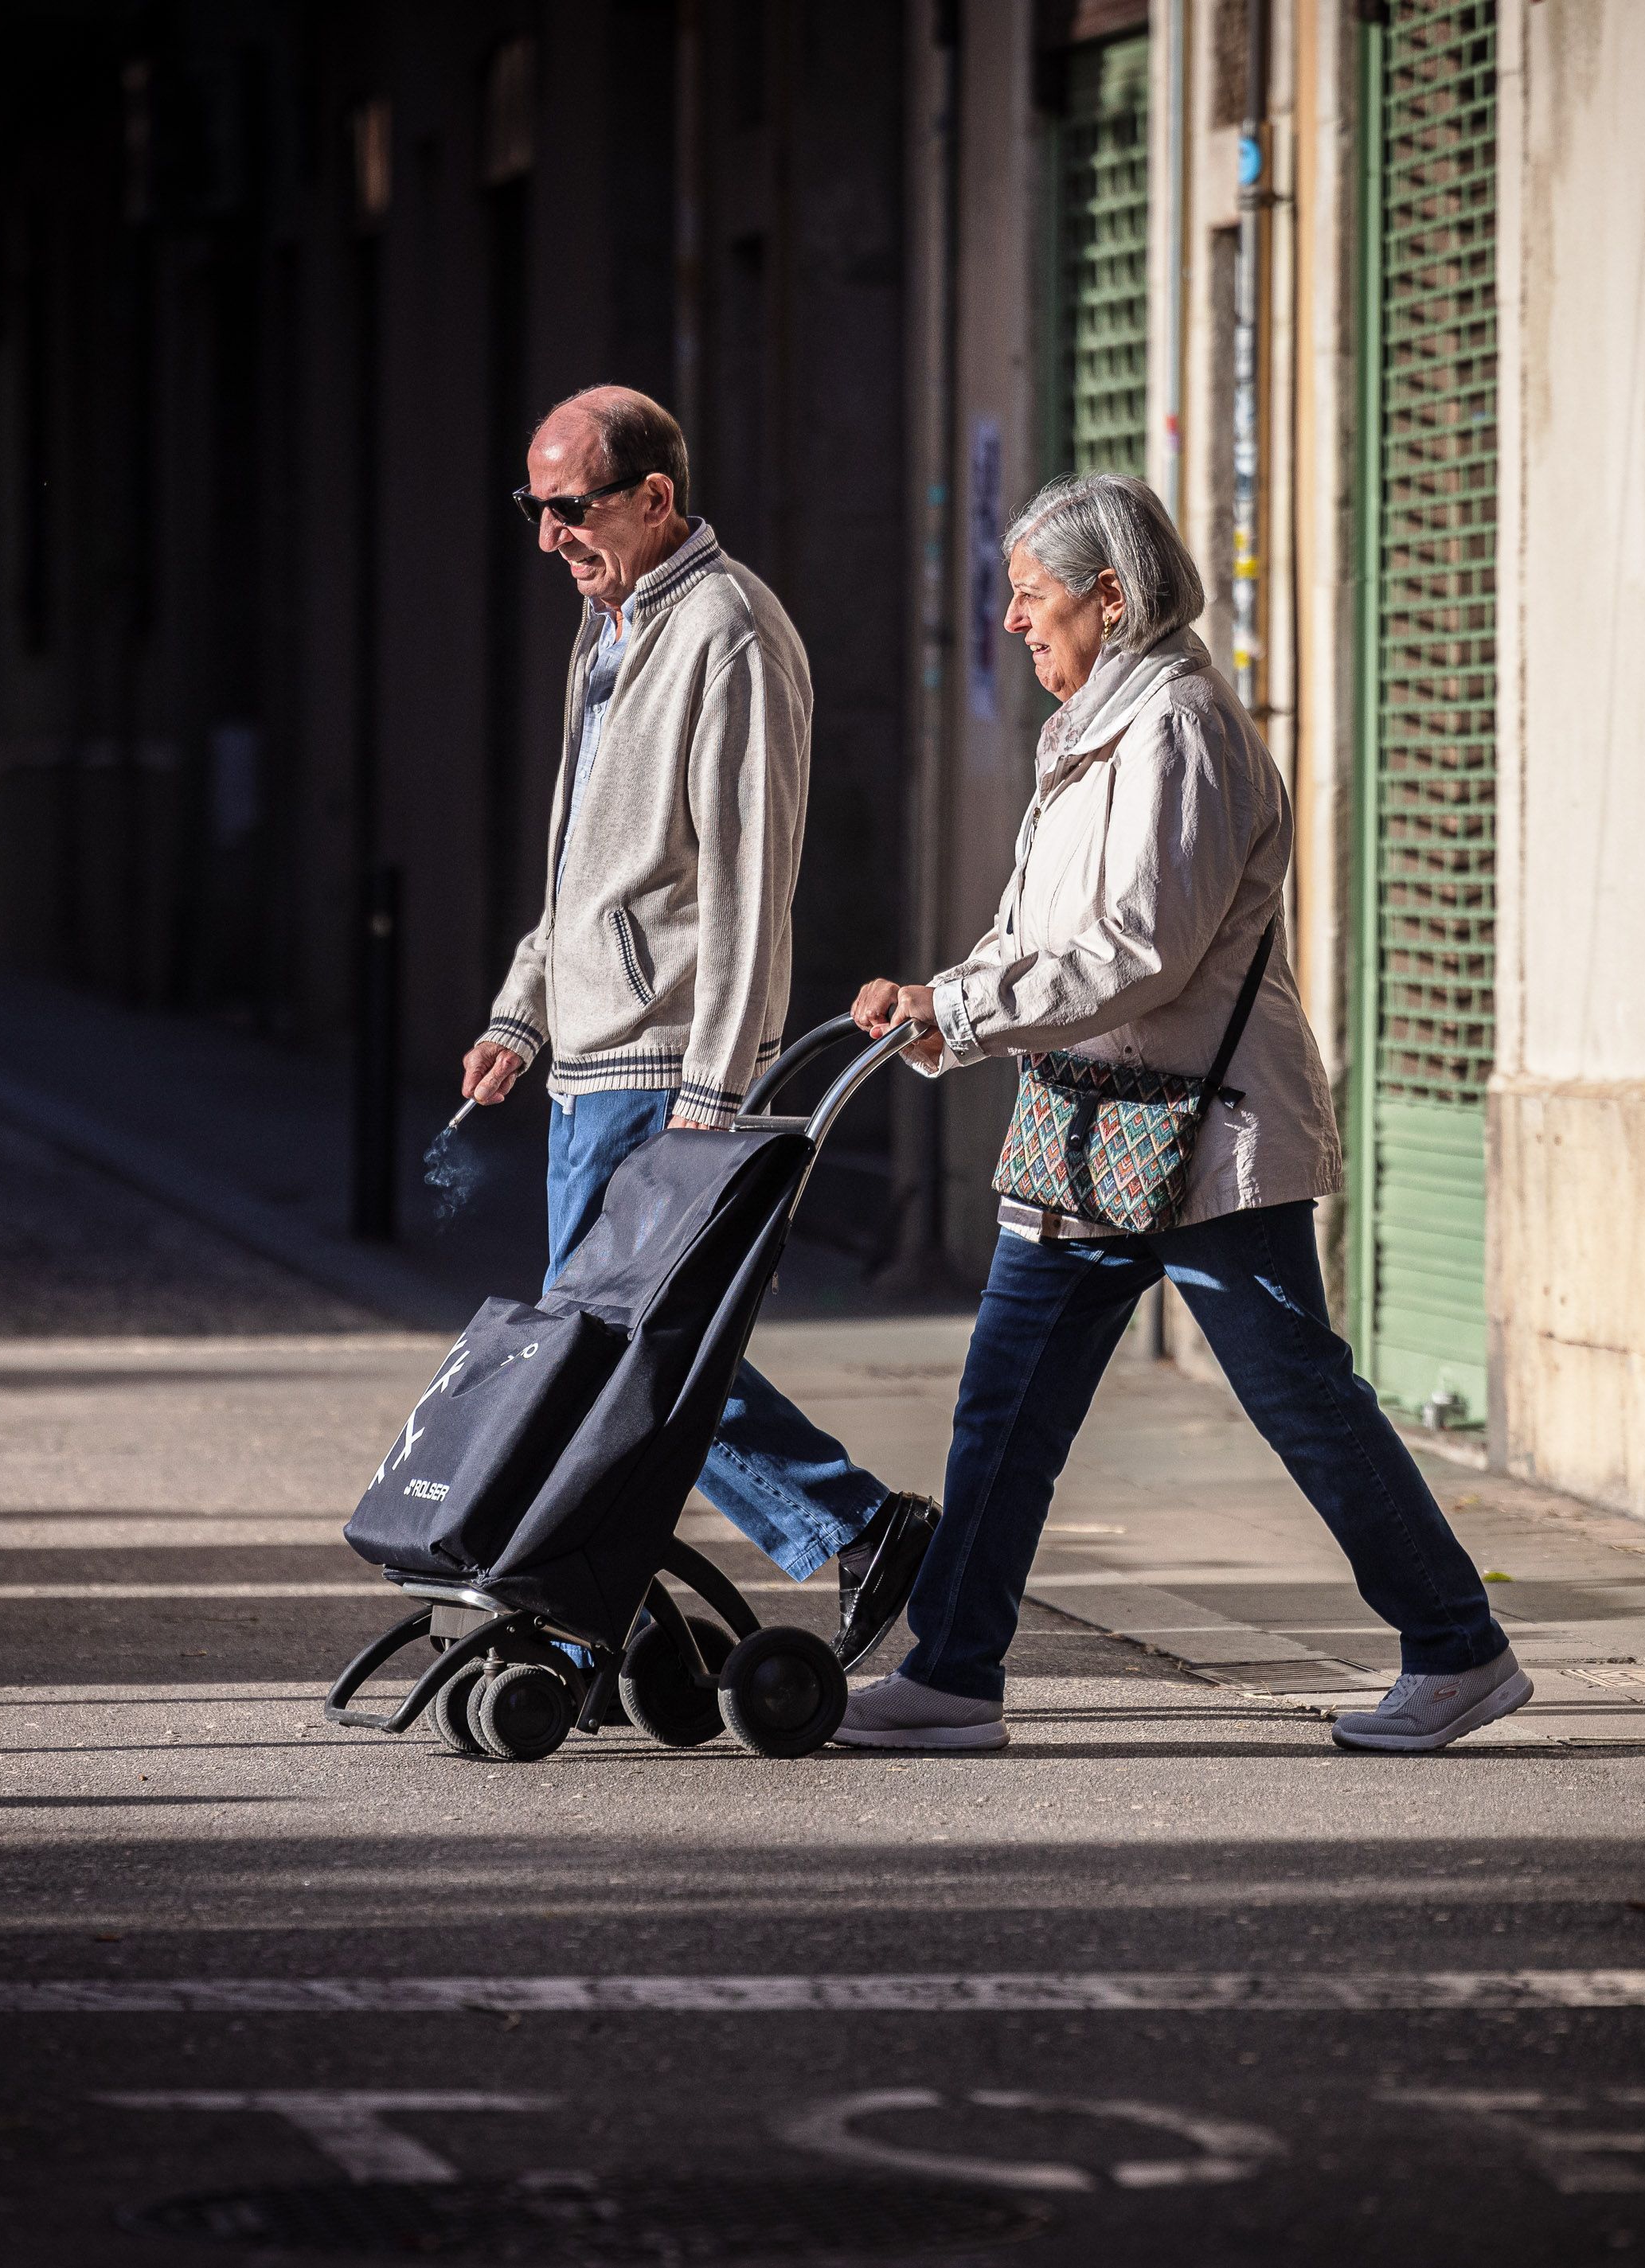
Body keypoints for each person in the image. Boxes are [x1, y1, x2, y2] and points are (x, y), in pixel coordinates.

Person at [830, 473, 1523, 1755]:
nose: (1010, 622)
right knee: (1006, 1403)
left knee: (1301, 1396)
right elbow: (1038, 933)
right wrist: (946, 1001)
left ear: (1111, 595)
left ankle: (1457, 1644)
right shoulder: (1097, 729)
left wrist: (968, 1010)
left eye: (1031, 597)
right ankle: (956, 1668)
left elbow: (1142, 949)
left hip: (1203, 1138)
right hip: (1093, 1128)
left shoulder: (1179, 733)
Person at [458, 385, 937, 1666]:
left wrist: (718, 1089)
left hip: (666, 1064)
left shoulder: (727, 631)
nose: (548, 534)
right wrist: (525, 1006)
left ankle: (839, 1529)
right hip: (593, 1058)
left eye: (570, 508)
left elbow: (746, 881)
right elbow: (585, 867)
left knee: (622, 1357)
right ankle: (630, 1607)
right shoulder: (612, 625)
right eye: (534, 507)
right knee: (617, 1354)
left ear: (654, 498)